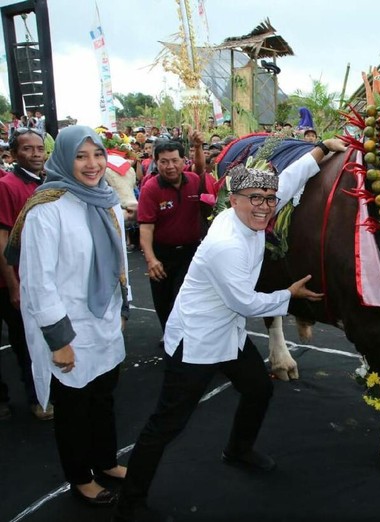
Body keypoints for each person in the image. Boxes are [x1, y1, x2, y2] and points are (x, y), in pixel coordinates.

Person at [113, 138, 347, 521]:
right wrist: (289, 295)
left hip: (229, 333)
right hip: (197, 342)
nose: (265, 206)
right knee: (166, 424)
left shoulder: (250, 209)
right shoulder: (227, 243)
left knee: (258, 389)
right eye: (255, 198)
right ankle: (130, 503)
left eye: (269, 199)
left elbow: (288, 179)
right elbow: (247, 303)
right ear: (234, 200)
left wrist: (323, 148)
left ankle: (238, 449)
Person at [6, 126, 131, 506]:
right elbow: (37, 282)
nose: (92, 164)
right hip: (68, 327)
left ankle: (106, 461)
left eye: (97, 154)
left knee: (103, 397)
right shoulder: (47, 208)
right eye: (81, 156)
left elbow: (119, 261)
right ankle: (80, 477)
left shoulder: (107, 199)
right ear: (64, 158)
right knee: (74, 408)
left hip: (104, 320)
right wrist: (59, 340)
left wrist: (123, 305)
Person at [0, 128, 51, 420]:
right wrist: (13, 284)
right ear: (14, 153)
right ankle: (35, 398)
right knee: (24, 342)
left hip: (34, 279)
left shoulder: (44, 184)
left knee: (37, 339)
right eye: (27, 149)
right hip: (12, 280)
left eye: (39, 148)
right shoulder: (8, 186)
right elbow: (3, 238)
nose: (35, 154)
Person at [137, 135, 205, 333]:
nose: (170, 166)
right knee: (163, 300)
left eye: (175, 160)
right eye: (164, 162)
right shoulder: (150, 189)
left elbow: (201, 170)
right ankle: (169, 336)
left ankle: (185, 339)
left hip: (191, 252)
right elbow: (146, 228)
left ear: (184, 161)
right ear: (156, 163)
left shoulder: (193, 181)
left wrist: (198, 146)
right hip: (162, 255)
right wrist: (151, 260)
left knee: (183, 298)